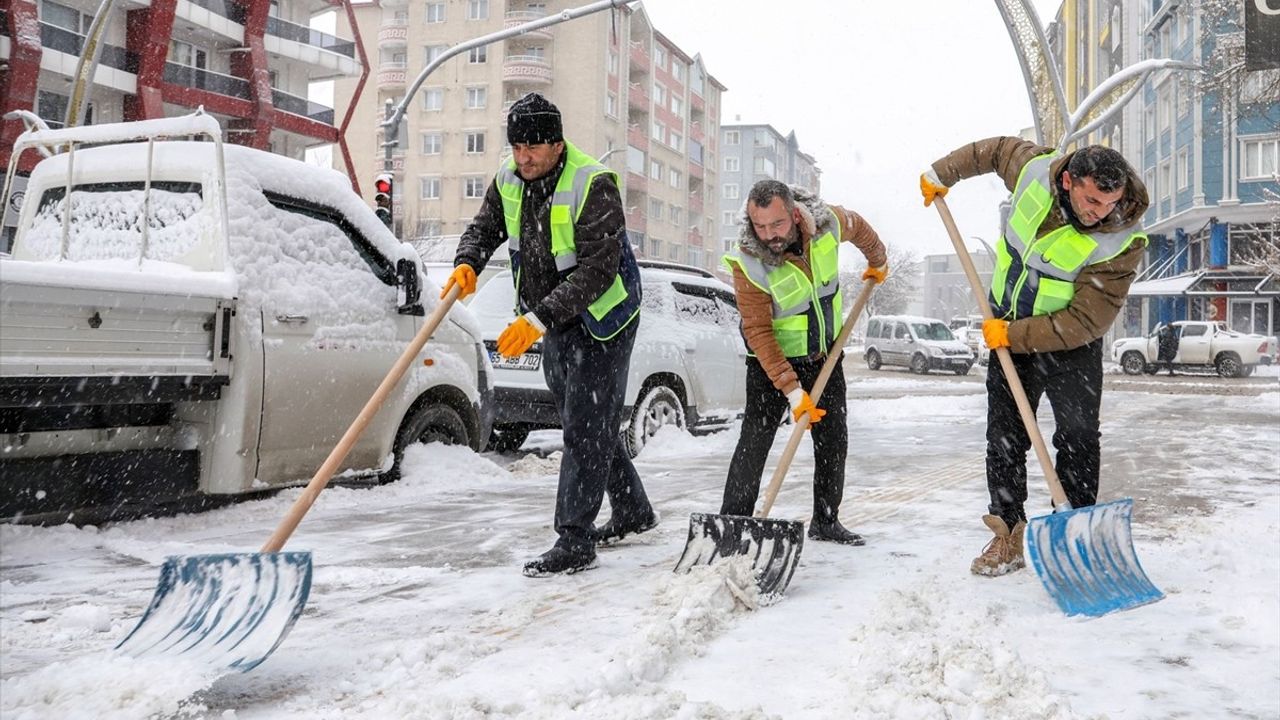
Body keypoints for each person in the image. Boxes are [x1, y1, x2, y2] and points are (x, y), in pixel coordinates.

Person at [443, 92, 655, 577]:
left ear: (557, 144)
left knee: (585, 424)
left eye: (533, 147)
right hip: (556, 318)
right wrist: (466, 262)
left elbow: (598, 270)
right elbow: (484, 228)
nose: (524, 158)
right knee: (585, 419)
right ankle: (632, 510)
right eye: (517, 147)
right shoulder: (509, 178)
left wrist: (537, 319)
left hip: (604, 318)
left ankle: (575, 539)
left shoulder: (593, 183)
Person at [921, 139, 1150, 577]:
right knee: (1004, 438)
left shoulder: (1122, 240)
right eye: (1092, 200)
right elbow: (993, 152)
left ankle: (1076, 533)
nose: (1101, 213)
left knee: (1078, 438)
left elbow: (1085, 320)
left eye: (1110, 203)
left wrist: (1012, 334)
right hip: (1007, 334)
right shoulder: (1033, 171)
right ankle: (1008, 533)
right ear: (1067, 181)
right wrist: (942, 173)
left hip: (1071, 347)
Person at [719, 180, 887, 546]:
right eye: (760, 226)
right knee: (754, 444)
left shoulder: (827, 224)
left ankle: (826, 520)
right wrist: (792, 390)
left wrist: (878, 260)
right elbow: (759, 332)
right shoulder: (748, 262)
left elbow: (857, 225)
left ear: (795, 214)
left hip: (825, 357)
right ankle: (732, 525)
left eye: (777, 224)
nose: (769, 235)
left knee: (833, 440)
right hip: (769, 366)